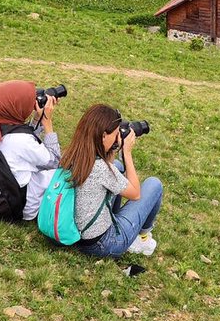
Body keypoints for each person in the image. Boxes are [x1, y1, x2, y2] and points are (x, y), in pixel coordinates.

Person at [61, 104, 162, 257]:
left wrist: (113, 148)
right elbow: (135, 193)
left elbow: (110, 169)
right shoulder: (100, 169)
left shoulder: (75, 154)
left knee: (117, 166)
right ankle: (141, 239)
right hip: (103, 244)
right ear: (103, 136)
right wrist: (127, 153)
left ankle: (114, 215)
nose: (117, 137)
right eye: (115, 134)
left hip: (77, 234)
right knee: (154, 184)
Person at [0, 80, 60, 221]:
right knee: (65, 174)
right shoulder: (20, 140)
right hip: (22, 204)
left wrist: (36, 119)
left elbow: (24, 140)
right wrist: (47, 124)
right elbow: (54, 161)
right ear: (14, 107)